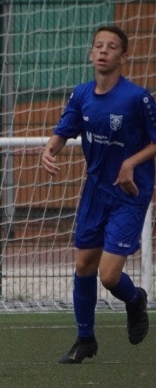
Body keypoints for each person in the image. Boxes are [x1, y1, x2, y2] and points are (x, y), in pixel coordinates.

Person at [41, 24, 151, 363]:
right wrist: (50, 149)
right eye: (99, 45)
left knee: (109, 276)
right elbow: (64, 130)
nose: (104, 51)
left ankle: (134, 299)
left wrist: (130, 162)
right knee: (84, 264)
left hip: (129, 194)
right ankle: (85, 340)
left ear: (123, 56)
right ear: (91, 54)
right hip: (95, 191)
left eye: (112, 46)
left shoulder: (137, 98)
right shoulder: (81, 94)